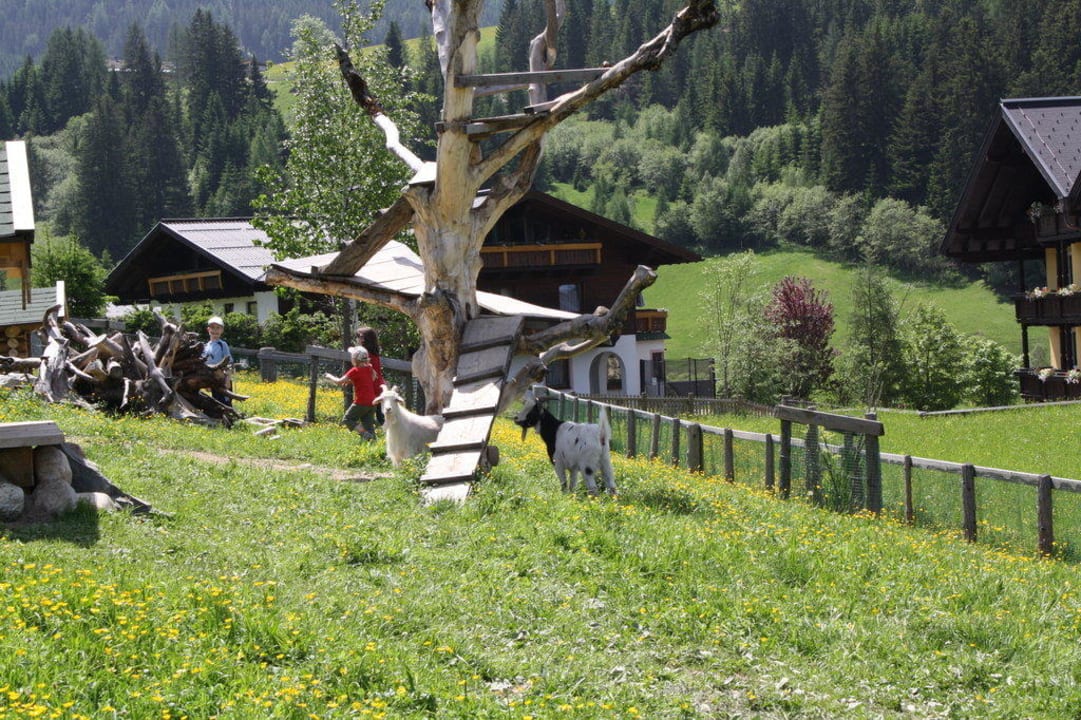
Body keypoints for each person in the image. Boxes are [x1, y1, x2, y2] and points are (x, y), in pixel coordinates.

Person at [324, 346, 378, 441]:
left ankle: (365, 434)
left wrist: (329, 376)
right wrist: (353, 381)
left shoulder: (354, 370)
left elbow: (339, 381)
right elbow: (371, 379)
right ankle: (373, 443)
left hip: (361, 402)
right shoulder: (369, 368)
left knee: (347, 419)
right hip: (372, 402)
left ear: (354, 359)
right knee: (368, 424)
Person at [355, 326, 386, 424]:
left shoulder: (365, 354)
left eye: (359, 336)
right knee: (380, 414)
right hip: (379, 385)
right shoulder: (373, 352)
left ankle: (370, 433)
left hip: (372, 386)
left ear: (365, 339)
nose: (358, 339)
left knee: (370, 414)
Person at [202, 315, 233, 406]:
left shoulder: (223, 344)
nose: (215, 330)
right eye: (212, 328)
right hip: (212, 379)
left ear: (222, 330)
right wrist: (206, 383)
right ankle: (219, 419)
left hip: (223, 378)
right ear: (208, 330)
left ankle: (230, 418)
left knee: (226, 401)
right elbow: (204, 366)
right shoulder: (205, 347)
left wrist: (228, 379)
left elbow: (229, 363)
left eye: (218, 328)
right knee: (216, 401)